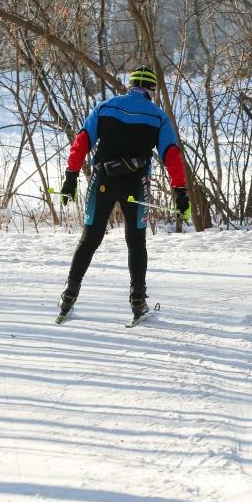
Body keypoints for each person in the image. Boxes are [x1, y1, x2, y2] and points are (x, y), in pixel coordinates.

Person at [56, 66, 191, 321]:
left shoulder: (105, 107)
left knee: (89, 239)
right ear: (152, 90)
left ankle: (68, 297)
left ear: (130, 85)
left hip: (102, 181)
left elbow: (82, 140)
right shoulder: (159, 117)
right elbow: (171, 156)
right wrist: (180, 193)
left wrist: (71, 177)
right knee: (136, 242)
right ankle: (138, 302)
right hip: (135, 184)